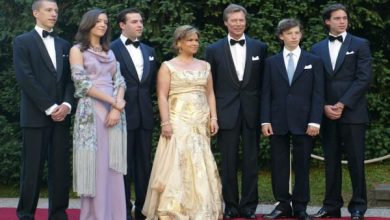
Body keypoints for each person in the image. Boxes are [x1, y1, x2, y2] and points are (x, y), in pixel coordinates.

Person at [142, 25, 223, 220]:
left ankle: (202, 209)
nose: (194, 43)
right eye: (190, 40)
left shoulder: (205, 65)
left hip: (200, 121)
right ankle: (174, 209)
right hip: (178, 120)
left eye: (196, 40)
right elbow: (162, 96)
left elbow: (210, 93)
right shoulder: (167, 66)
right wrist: (165, 122)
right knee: (177, 161)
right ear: (179, 43)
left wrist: (214, 117)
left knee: (200, 161)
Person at [205, 4, 268, 219]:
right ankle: (230, 205)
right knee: (228, 161)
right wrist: (212, 115)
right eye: (234, 20)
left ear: (246, 21)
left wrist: (264, 115)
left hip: (252, 112)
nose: (238, 24)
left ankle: (249, 206)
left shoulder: (260, 47)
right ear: (225, 23)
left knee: (251, 161)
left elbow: (264, 85)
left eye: (241, 20)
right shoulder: (213, 50)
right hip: (225, 113)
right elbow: (209, 86)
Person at [13, 0, 74, 219]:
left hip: (62, 117)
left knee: (60, 170)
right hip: (35, 116)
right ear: (35, 12)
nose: (54, 14)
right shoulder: (22, 42)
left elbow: (69, 80)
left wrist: (66, 105)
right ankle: (26, 215)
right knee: (32, 169)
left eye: (56, 10)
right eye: (49, 10)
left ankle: (58, 214)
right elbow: (25, 78)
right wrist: (50, 107)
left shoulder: (65, 45)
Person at [311, 4, 372, 220]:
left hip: (353, 113)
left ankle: (358, 207)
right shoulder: (317, 48)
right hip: (327, 114)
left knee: (356, 161)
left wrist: (342, 103)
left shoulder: (360, 44)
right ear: (327, 21)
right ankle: (331, 206)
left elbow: (364, 78)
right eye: (337, 18)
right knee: (331, 162)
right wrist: (324, 107)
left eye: (344, 18)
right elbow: (315, 82)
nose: (342, 21)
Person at [260, 19, 324, 220]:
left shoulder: (313, 61)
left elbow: (318, 93)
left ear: (301, 35)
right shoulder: (271, 62)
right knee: (279, 165)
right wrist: (265, 120)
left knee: (303, 165)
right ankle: (282, 205)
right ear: (281, 36)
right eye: (289, 33)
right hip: (277, 121)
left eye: (297, 33)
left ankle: (301, 207)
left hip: (305, 122)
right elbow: (266, 93)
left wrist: (315, 120)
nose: (294, 36)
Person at [70, 9, 127, 220]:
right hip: (91, 111)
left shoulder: (110, 51)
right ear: (88, 24)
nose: (103, 24)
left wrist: (116, 107)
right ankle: (95, 215)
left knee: (113, 164)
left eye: (105, 21)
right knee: (97, 165)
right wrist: (114, 102)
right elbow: (82, 83)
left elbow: (120, 81)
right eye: (98, 21)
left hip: (114, 112)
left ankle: (116, 214)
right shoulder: (77, 50)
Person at [110, 8, 157, 220]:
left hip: (145, 114)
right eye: (135, 21)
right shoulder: (110, 49)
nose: (140, 25)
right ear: (122, 25)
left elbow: (152, 85)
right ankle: (123, 209)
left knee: (144, 164)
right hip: (120, 115)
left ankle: (143, 208)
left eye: (141, 21)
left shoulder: (150, 51)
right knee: (123, 165)